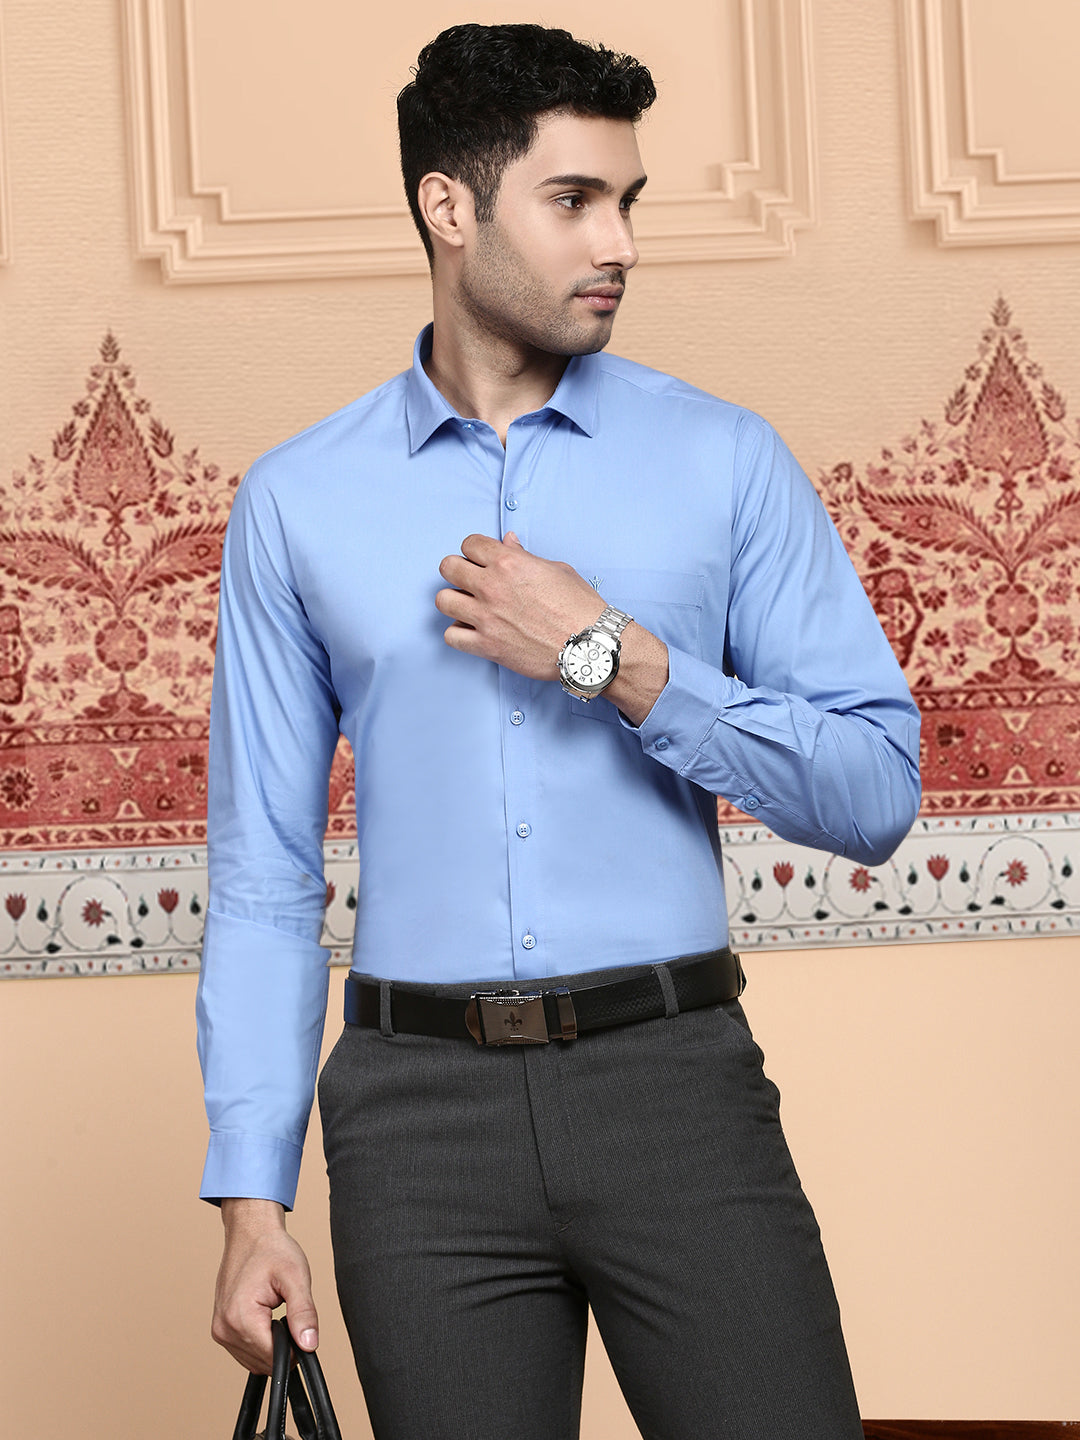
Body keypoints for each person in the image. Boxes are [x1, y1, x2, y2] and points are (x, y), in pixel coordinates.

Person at [198, 21, 920, 1440]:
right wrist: (250, 1202)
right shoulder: (296, 502)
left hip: (674, 1090)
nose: (621, 244)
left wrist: (612, 658)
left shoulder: (723, 459)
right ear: (448, 208)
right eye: (575, 201)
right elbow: (263, 874)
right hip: (416, 1130)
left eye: (627, 201)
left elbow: (873, 787)